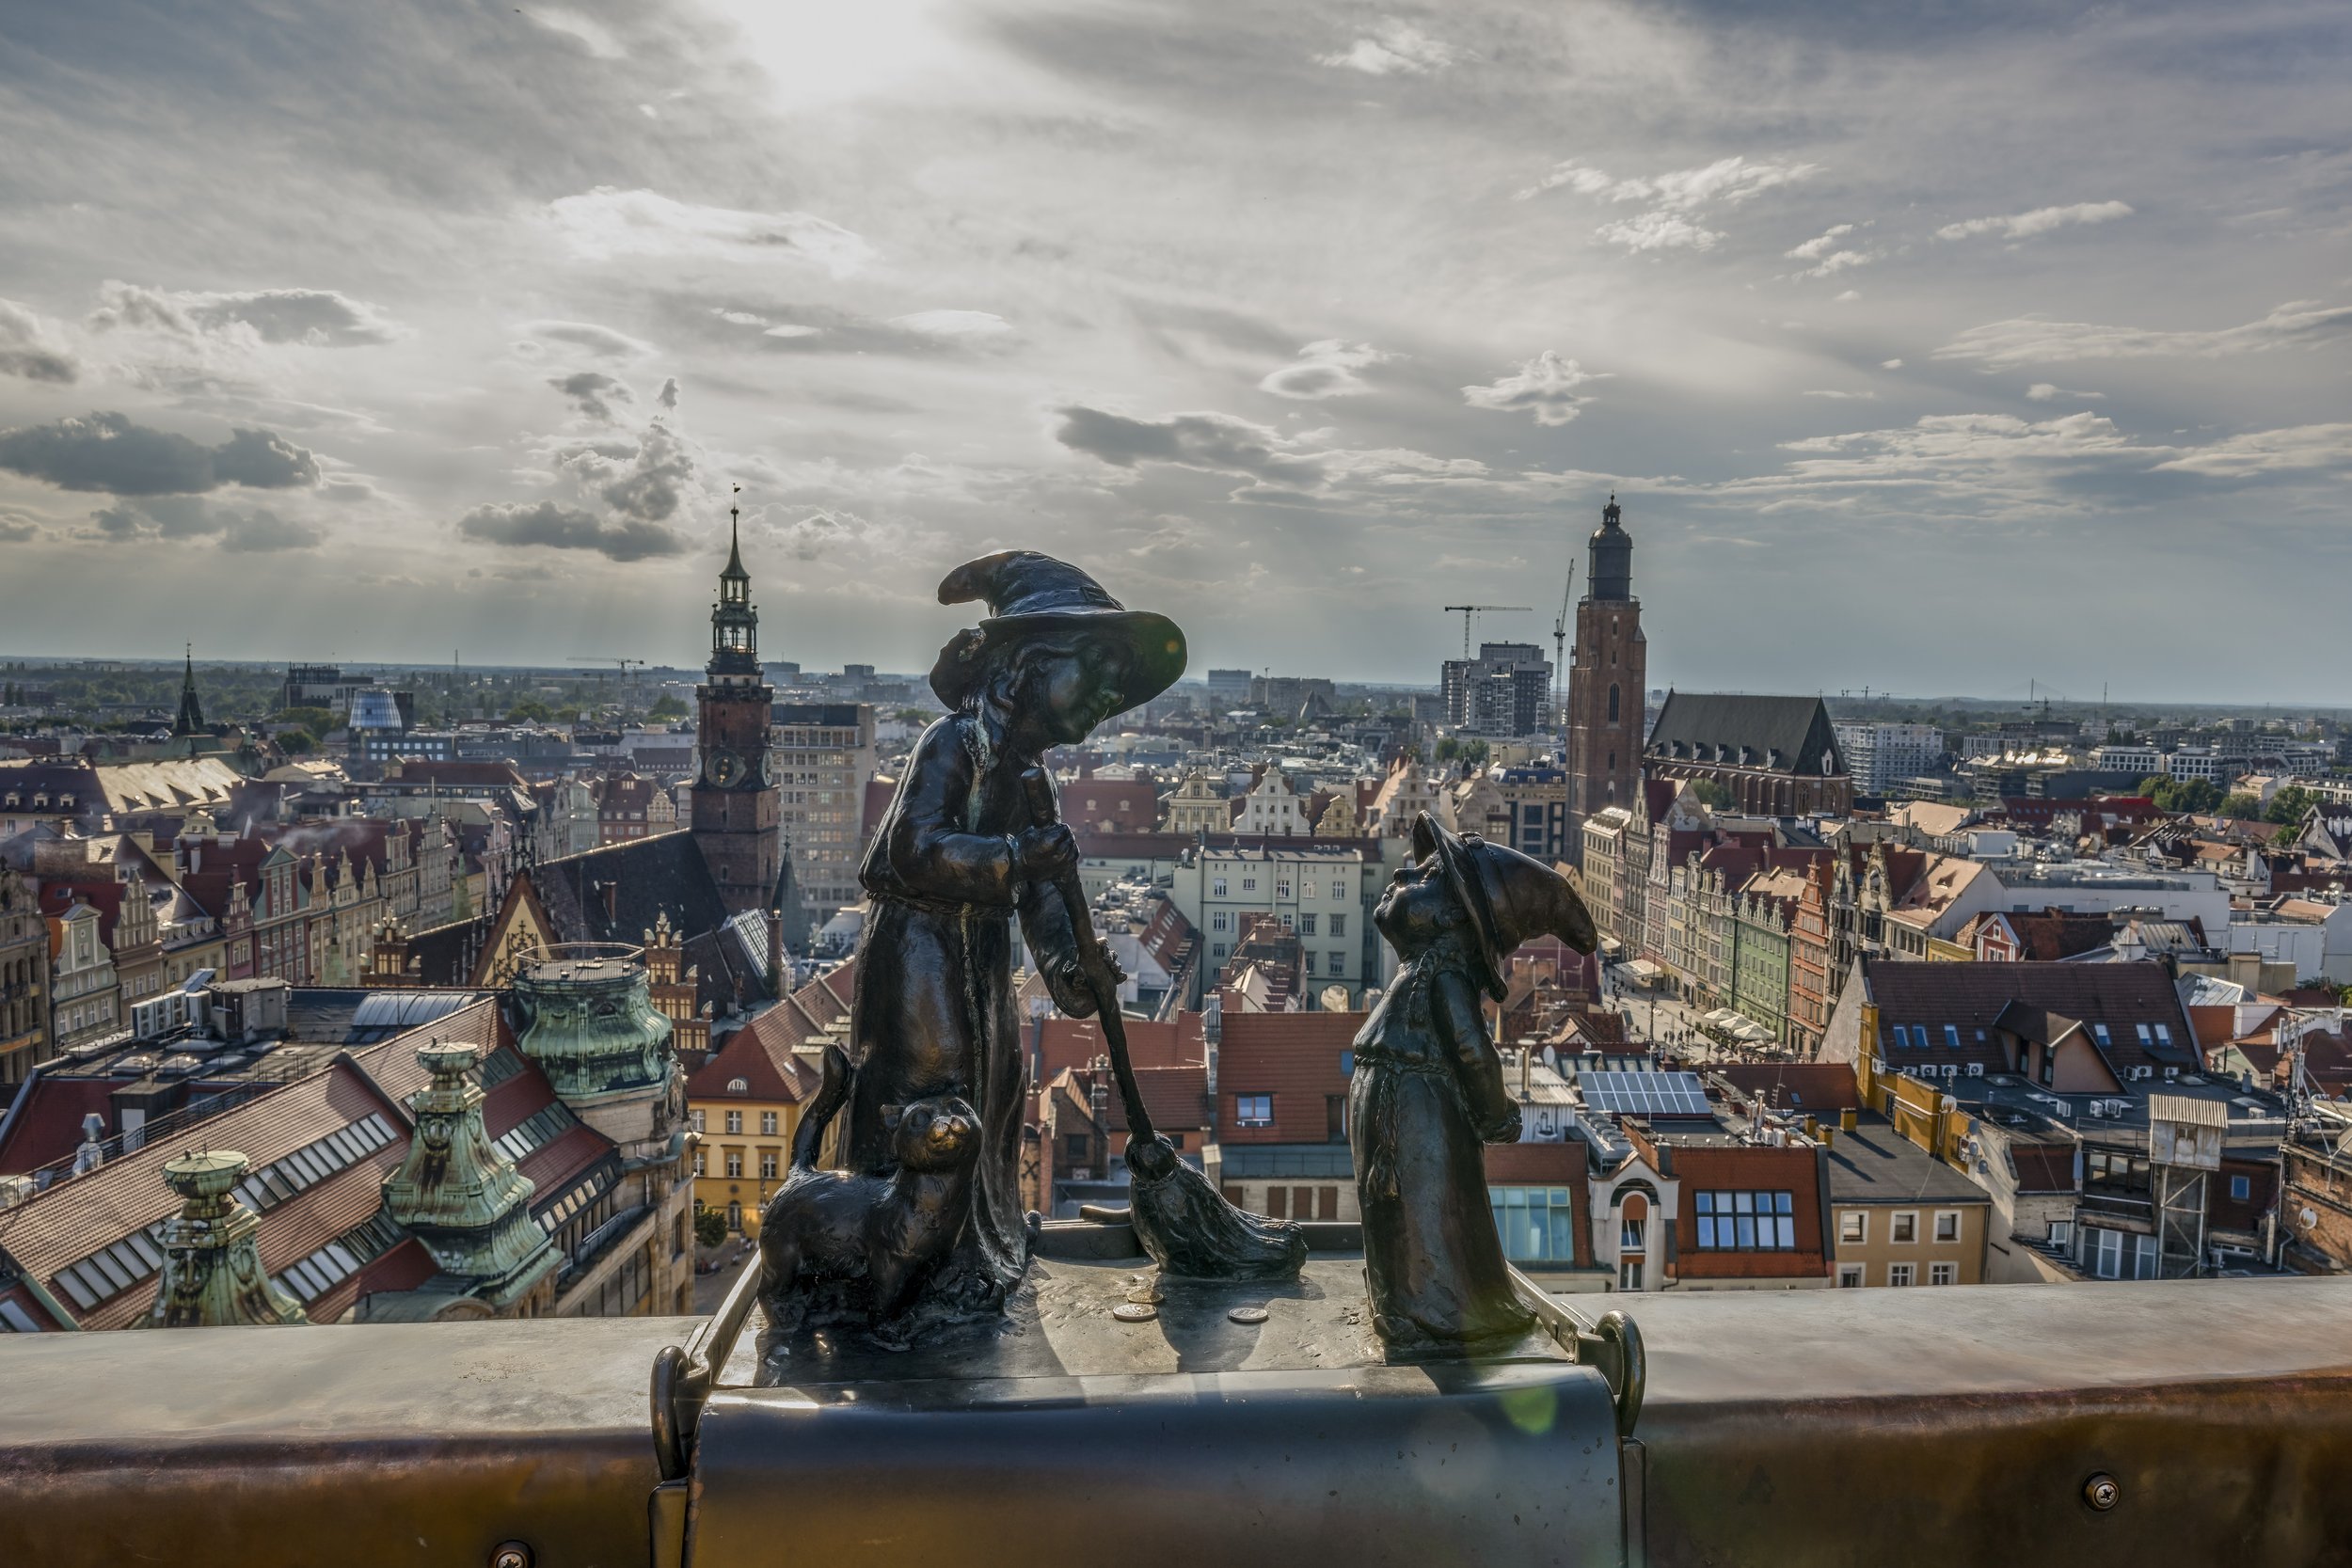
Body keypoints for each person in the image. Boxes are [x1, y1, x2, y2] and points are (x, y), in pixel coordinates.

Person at [846, 551, 1185, 1309]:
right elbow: (915, 846)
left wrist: (1070, 967)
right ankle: (897, 1265)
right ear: (1027, 664)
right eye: (1095, 669)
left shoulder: (1033, 777)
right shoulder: (951, 743)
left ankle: (980, 1248)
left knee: (994, 1090)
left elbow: (1043, 899)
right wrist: (1015, 854)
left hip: (981, 958)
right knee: (929, 1095)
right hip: (920, 954)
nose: (1106, 695)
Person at [1351, 813, 1597, 1355]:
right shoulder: (1422, 971)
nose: (1402, 875)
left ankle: (1434, 1308)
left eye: (1425, 877)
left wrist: (1494, 1114)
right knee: (1399, 1206)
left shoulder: (1444, 975)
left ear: (1450, 919)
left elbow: (1474, 1051)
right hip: (1400, 1098)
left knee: (1427, 1204)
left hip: (1421, 1107)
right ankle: (1400, 1297)